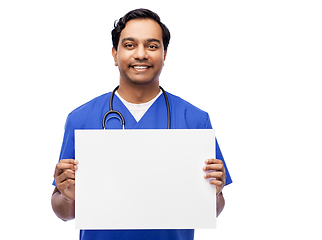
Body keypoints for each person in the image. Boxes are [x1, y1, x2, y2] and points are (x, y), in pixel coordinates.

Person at [52, 8, 232, 240]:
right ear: (115, 54)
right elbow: (64, 213)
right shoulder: (81, 118)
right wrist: (68, 196)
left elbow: (212, 210)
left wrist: (214, 194)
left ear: (164, 54)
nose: (141, 54)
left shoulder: (195, 120)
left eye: (152, 46)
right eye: (129, 45)